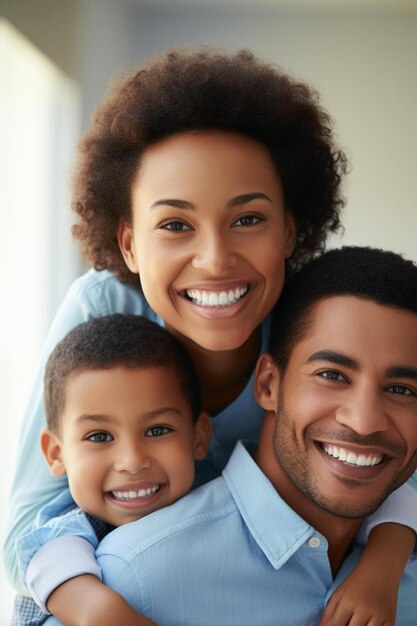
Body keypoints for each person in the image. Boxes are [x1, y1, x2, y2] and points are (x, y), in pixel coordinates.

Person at [3, 46, 416, 622]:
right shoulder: (101, 314)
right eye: (175, 224)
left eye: (248, 219)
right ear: (128, 243)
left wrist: (385, 560)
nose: (216, 260)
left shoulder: (307, 321)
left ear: (291, 231)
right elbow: (30, 523)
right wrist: (99, 611)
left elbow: (389, 448)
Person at [43, 246, 417, 626]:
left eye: (403, 389)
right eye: (332, 375)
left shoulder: (403, 571)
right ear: (269, 384)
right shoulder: (129, 581)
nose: (365, 421)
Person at [14, 314, 211, 626]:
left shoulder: (215, 506)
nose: (132, 461)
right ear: (56, 454)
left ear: (199, 437)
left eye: (157, 430)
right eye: (99, 437)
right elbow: (91, 610)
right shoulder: (69, 532)